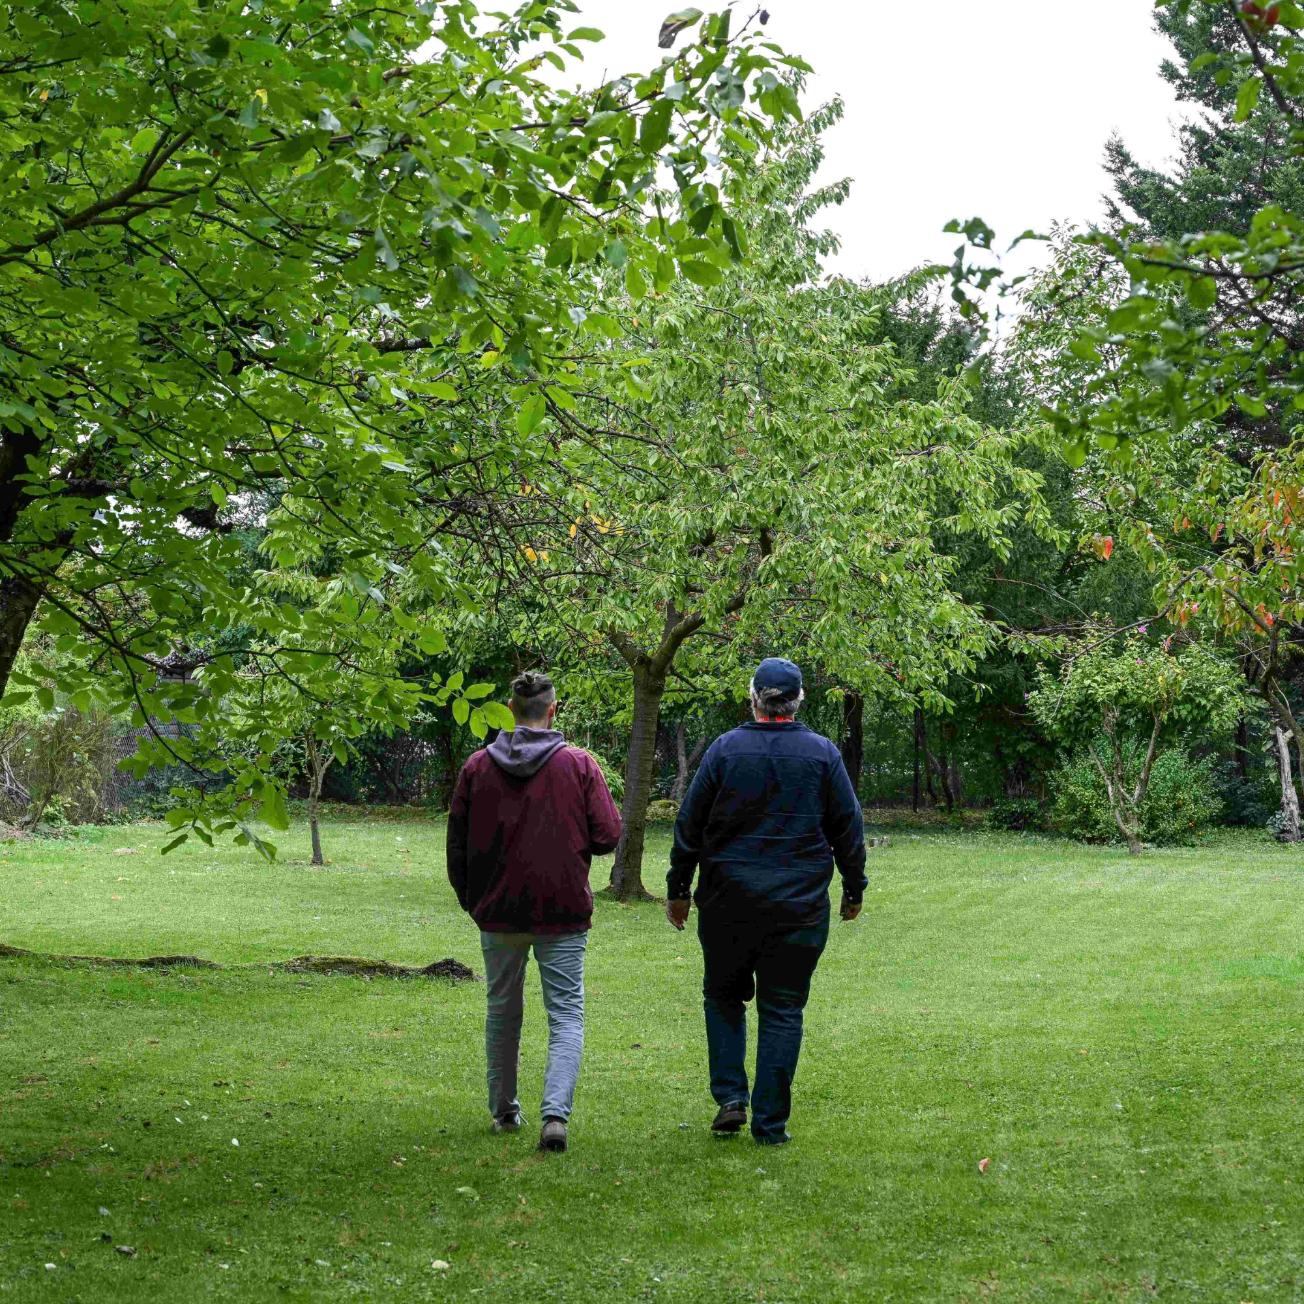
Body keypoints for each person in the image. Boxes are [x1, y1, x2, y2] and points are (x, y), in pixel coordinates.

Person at [667, 657, 866, 1145]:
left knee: (723, 996)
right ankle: (770, 1124)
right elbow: (848, 828)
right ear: (797, 701)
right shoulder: (822, 755)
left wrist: (678, 889)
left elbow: (689, 826)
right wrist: (853, 887)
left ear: (753, 697)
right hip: (797, 908)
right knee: (782, 1010)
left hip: (726, 903)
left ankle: (732, 1098)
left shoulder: (724, 751)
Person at [446, 670, 621, 1153]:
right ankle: (554, 1116)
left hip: (499, 911)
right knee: (565, 1014)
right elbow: (608, 835)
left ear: (509, 709)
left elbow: (455, 848)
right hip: (562, 911)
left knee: (502, 1011)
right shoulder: (579, 766)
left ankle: (504, 1111)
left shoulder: (477, 767)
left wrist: (475, 902)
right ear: (553, 709)